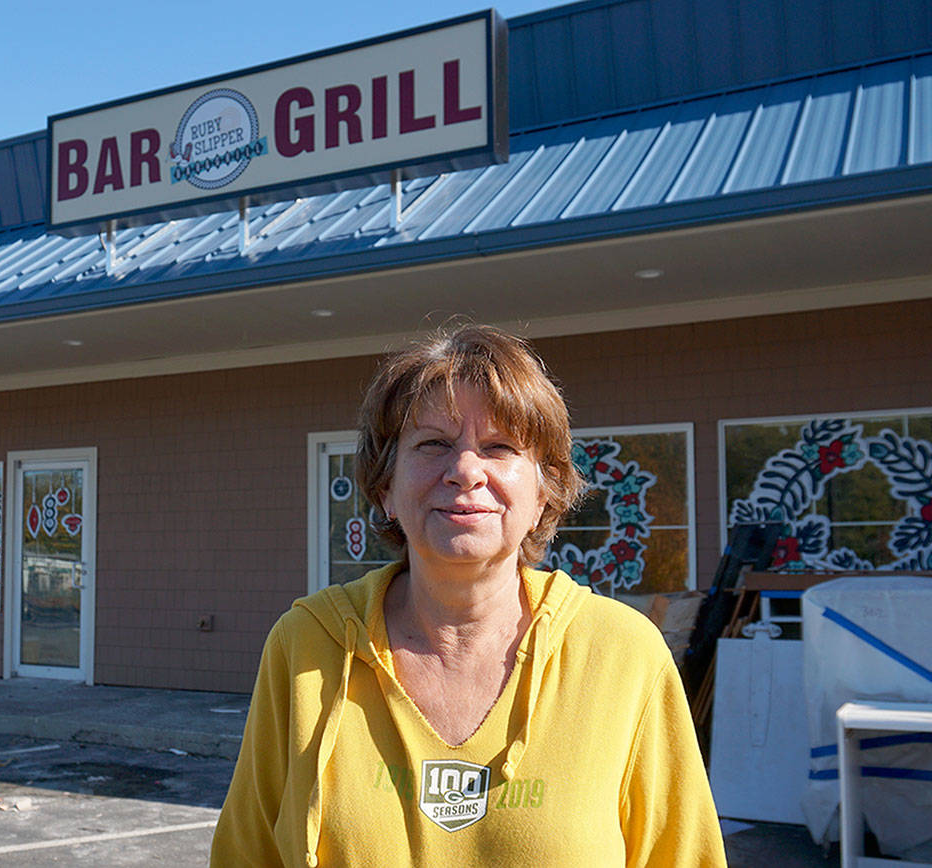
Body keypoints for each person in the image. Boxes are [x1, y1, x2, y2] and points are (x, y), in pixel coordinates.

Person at [209, 324, 726, 866]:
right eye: (433, 444)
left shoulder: (623, 654)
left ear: (544, 490)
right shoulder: (305, 647)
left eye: (499, 447)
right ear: (385, 486)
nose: (464, 471)